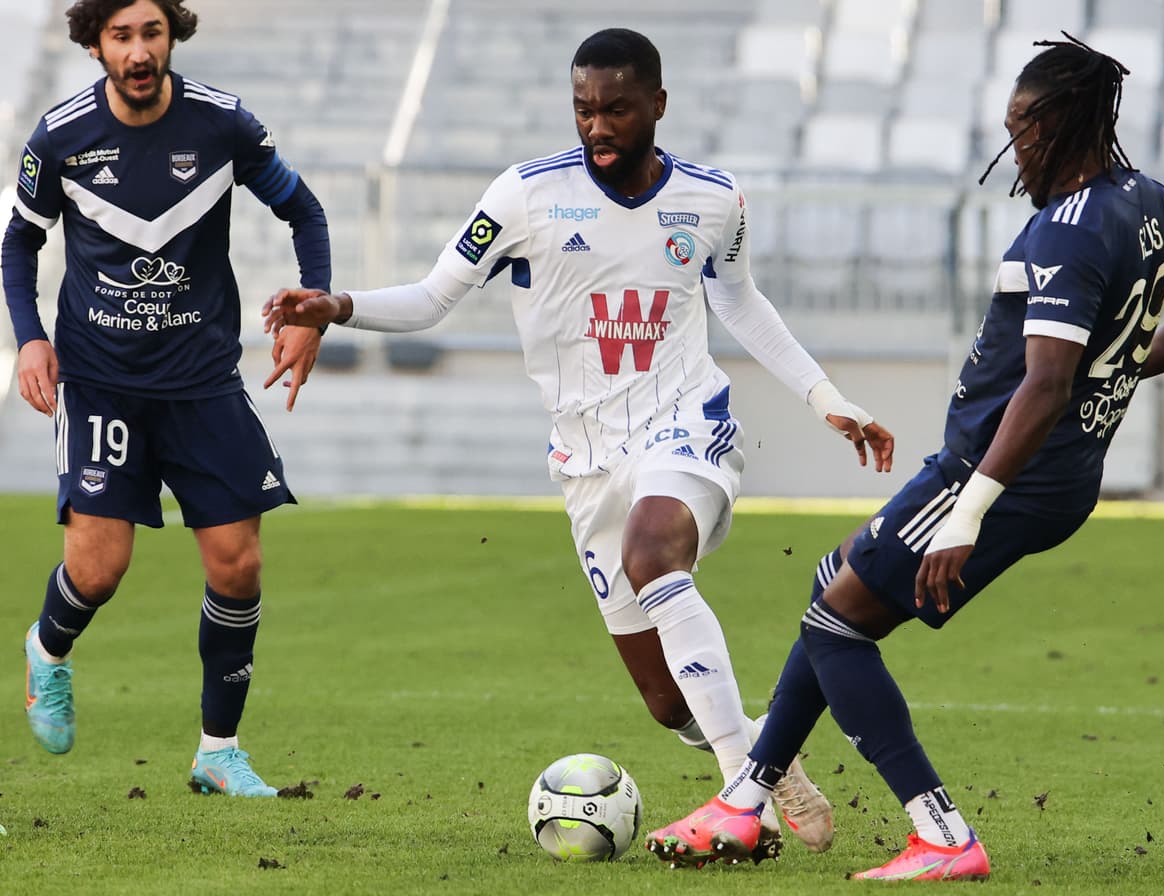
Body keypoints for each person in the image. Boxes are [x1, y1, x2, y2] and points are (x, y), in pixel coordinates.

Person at [262, 27, 893, 853]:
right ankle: (765, 750)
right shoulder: (524, 196)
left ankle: (743, 794)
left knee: (654, 554)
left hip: (684, 424)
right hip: (586, 457)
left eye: (617, 109)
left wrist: (824, 396)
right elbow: (431, 298)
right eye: (584, 109)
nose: (597, 126)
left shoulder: (712, 200)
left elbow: (739, 301)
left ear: (658, 106)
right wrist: (340, 307)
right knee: (668, 704)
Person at [644, 33, 1164, 878]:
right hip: (1054, 473)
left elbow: (1042, 385)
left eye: (1020, 130)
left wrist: (967, 511)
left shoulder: (1067, 232)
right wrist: (1116, 374)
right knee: (833, 582)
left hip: (997, 473)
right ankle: (743, 801)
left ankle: (943, 834)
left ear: (1058, 123)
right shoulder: (1151, 201)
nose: (1013, 150)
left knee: (836, 626)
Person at [5, 0, 331, 797]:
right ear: (95, 44)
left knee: (238, 563)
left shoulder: (224, 125)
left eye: (151, 31)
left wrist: (314, 310)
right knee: (101, 565)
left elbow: (304, 211)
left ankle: (218, 751)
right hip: (100, 380)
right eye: (121, 36)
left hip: (202, 379)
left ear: (171, 36)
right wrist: (30, 338)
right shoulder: (60, 136)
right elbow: (19, 241)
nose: (139, 50)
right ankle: (48, 650)